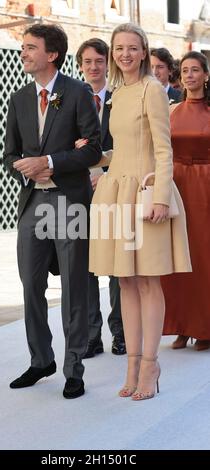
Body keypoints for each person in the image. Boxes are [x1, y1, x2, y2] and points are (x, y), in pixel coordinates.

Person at [89, 23, 191, 401]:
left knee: (148, 281)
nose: (125, 54)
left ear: (144, 52)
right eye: (119, 48)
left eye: (133, 48)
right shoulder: (118, 93)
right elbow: (124, 148)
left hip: (147, 194)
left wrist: (162, 197)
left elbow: (164, 150)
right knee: (125, 282)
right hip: (117, 192)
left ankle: (150, 364)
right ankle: (132, 364)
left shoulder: (152, 90)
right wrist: (90, 156)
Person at [3, 24, 101, 399]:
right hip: (32, 203)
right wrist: (25, 166)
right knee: (31, 284)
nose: (24, 53)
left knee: (74, 286)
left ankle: (74, 367)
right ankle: (40, 359)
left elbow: (93, 148)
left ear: (52, 54)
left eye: (30, 47)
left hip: (68, 202)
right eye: (24, 47)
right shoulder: (18, 99)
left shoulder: (77, 93)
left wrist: (52, 162)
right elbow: (10, 154)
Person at [76, 38, 126, 358]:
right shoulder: (68, 99)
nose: (93, 67)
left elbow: (131, 143)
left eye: (99, 61)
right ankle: (92, 335)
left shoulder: (121, 99)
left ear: (107, 64)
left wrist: (105, 173)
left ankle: (120, 332)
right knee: (86, 266)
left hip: (114, 189)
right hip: (79, 191)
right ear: (80, 64)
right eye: (87, 62)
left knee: (116, 264)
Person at [162, 51, 210, 351]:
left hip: (206, 186)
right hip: (177, 185)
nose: (190, 75)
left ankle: (204, 326)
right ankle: (181, 325)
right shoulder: (171, 110)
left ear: (206, 75)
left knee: (204, 257)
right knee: (178, 256)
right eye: (185, 70)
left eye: (195, 70)